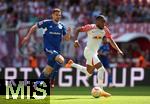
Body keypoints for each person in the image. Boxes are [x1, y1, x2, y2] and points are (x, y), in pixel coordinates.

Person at [65, 15, 123, 97]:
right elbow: (78, 29)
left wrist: (118, 49)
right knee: (101, 69)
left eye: (104, 21)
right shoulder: (91, 27)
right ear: (97, 21)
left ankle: (71, 64)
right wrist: (76, 40)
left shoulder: (105, 30)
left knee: (88, 73)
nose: (104, 23)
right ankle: (101, 91)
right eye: (102, 21)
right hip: (88, 52)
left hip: (94, 53)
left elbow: (111, 40)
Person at [21, 8, 71, 88]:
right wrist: (27, 37)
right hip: (49, 49)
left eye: (59, 15)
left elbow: (67, 39)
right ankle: (52, 80)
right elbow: (34, 27)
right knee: (61, 59)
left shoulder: (61, 26)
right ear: (52, 15)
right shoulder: (47, 23)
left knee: (47, 71)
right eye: (56, 15)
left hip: (56, 50)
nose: (58, 16)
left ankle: (35, 86)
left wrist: (68, 33)